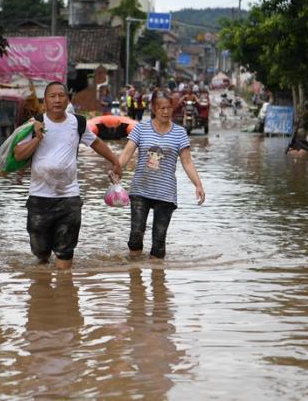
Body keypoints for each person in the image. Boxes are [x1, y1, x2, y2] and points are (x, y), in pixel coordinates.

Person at [14, 82, 123, 270]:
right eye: (52, 96)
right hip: (39, 197)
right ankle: (44, 287)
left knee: (65, 254)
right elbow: (18, 154)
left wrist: (116, 161)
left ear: (67, 100)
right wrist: (38, 137)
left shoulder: (77, 123)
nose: (57, 100)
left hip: (69, 198)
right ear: (44, 102)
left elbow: (95, 143)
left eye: (61, 96)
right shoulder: (34, 124)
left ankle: (65, 292)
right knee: (40, 252)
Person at [117, 93, 205, 259]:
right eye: (161, 108)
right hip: (140, 190)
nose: (166, 111)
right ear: (154, 108)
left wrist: (198, 185)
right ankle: (135, 277)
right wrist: (116, 169)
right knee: (135, 236)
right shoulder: (141, 128)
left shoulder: (179, 133)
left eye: (169, 107)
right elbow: (127, 152)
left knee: (158, 243)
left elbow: (187, 162)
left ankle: (158, 279)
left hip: (165, 193)